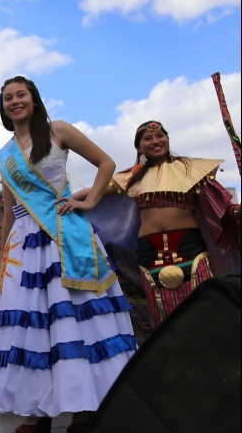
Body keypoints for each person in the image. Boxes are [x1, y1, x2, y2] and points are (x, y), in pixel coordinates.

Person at [0, 76, 137, 433]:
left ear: (34, 100)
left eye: (21, 95)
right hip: (24, 247)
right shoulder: (5, 155)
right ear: (4, 108)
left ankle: (85, 408)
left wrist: (89, 200)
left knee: (75, 323)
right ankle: (35, 412)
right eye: (7, 98)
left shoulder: (58, 130)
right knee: (28, 330)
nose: (14, 101)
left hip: (66, 239)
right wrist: (2, 257)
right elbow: (9, 211)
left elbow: (106, 163)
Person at [89, 120, 241, 329]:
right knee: (162, 309)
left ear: (167, 139)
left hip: (189, 246)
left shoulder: (192, 170)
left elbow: (220, 203)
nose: (155, 141)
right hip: (150, 249)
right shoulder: (132, 178)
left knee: (202, 303)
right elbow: (94, 193)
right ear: (139, 147)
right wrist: (65, 199)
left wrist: (236, 212)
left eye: (160, 135)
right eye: (148, 138)